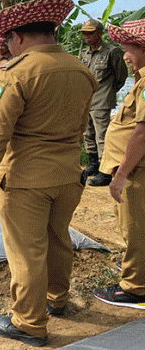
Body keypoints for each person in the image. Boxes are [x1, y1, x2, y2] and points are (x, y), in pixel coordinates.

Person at [0, 0, 97, 347]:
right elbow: (83, 124)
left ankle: (29, 323)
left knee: (26, 250)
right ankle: (57, 297)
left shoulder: (17, 72)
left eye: (7, 40)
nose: (6, 47)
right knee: (58, 239)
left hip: (27, 177)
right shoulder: (81, 70)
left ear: (19, 37)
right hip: (69, 173)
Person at [92, 19, 145, 309]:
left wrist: (121, 175)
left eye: (129, 49)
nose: (125, 56)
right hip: (135, 169)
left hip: (137, 172)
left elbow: (142, 132)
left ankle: (135, 288)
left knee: (135, 227)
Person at [79, 19, 128, 187]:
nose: (86, 36)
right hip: (86, 99)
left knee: (102, 135)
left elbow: (121, 75)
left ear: (100, 33)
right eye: (84, 33)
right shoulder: (84, 53)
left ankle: (105, 171)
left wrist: (108, 92)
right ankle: (93, 164)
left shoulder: (111, 52)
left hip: (102, 99)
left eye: (90, 33)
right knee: (88, 133)